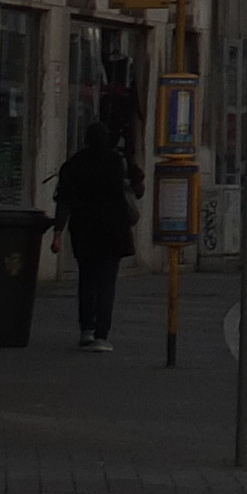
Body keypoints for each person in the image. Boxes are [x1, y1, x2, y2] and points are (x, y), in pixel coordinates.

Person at [45, 122, 141, 353]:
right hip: (114, 230)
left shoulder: (74, 165)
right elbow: (139, 185)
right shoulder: (117, 162)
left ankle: (86, 330)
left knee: (87, 280)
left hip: (84, 230)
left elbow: (64, 201)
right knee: (107, 283)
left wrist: (57, 233)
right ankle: (102, 335)